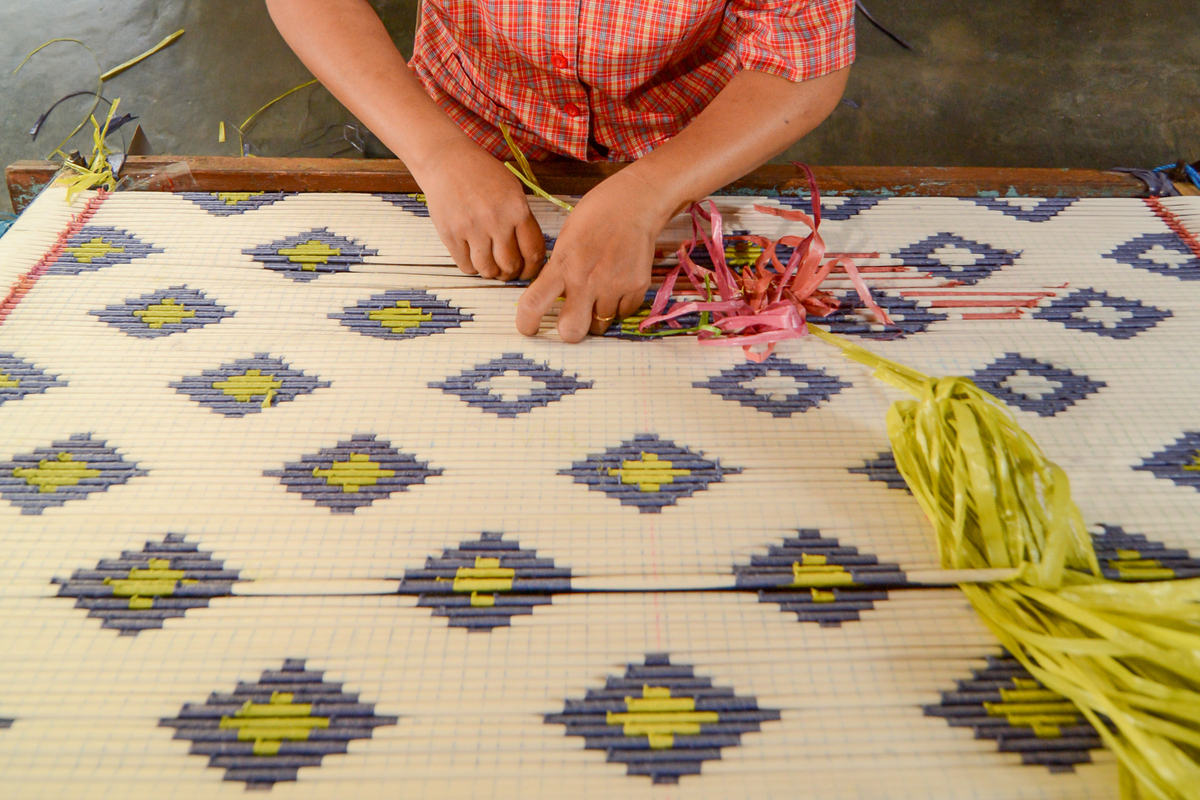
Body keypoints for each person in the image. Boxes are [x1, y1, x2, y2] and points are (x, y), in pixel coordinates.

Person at [265, 0, 853, 341]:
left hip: (693, 136)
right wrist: (436, 153)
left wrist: (652, 190)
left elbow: (806, 48)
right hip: (470, 112)